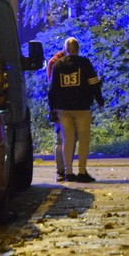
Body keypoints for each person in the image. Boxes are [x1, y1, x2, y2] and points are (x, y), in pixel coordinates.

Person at [48, 37, 104, 182]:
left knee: (68, 140)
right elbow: (94, 83)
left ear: (65, 49)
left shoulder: (58, 66)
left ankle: (68, 172)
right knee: (84, 139)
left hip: (63, 108)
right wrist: (99, 100)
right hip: (82, 108)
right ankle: (82, 171)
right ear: (78, 49)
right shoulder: (85, 63)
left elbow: (52, 89)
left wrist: (52, 108)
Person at [46, 47, 67, 182]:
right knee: (63, 140)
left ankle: (62, 170)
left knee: (61, 139)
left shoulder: (53, 63)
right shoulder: (57, 64)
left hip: (58, 106)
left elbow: (51, 89)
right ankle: (63, 170)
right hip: (64, 106)